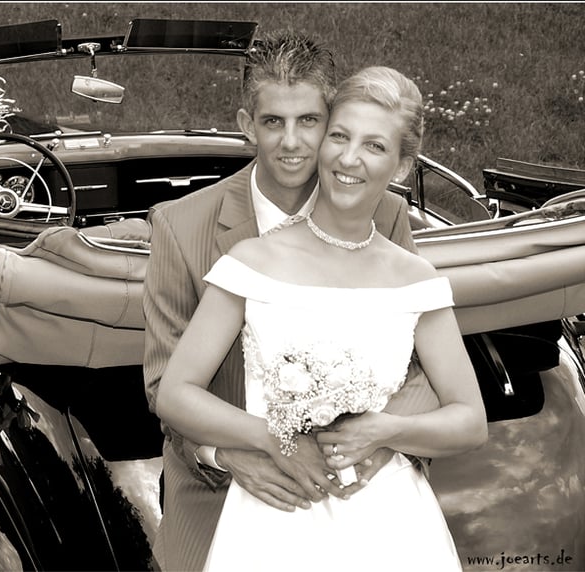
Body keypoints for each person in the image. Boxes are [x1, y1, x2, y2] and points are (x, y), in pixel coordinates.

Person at [155, 65, 488, 571]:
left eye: (374, 146)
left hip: (389, 524)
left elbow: (469, 420)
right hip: (272, 518)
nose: (349, 158)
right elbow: (175, 394)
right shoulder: (251, 261)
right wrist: (274, 438)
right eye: (339, 136)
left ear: (401, 168)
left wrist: (383, 431)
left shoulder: (416, 279)